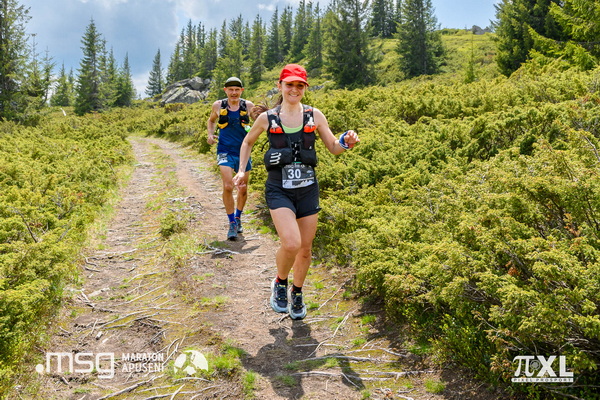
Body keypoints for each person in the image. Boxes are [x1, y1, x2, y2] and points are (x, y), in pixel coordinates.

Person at [233, 64, 359, 320]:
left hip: (308, 188)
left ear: (305, 88)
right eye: (289, 84)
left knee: (305, 249)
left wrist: (347, 142)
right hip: (279, 187)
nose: (294, 89)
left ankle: (297, 291)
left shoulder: (315, 115)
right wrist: (242, 170)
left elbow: (333, 147)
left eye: (299, 85)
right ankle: (280, 282)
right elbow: (247, 142)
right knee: (292, 243)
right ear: (280, 86)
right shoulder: (267, 118)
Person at [207, 77, 255, 240]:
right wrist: (210, 134)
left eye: (237, 90)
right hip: (224, 150)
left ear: (242, 90)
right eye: (230, 90)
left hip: (243, 152)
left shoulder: (248, 106)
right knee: (228, 186)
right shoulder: (218, 105)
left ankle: (238, 217)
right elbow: (211, 120)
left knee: (242, 188)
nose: (234, 93)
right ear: (225, 90)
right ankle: (232, 223)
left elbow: (260, 122)